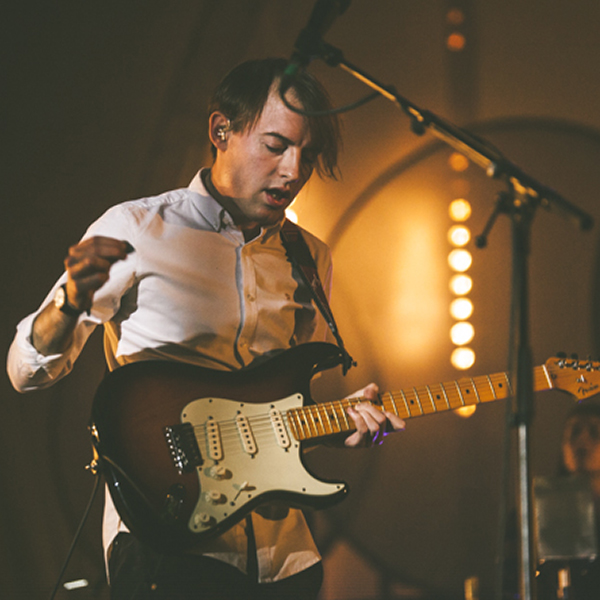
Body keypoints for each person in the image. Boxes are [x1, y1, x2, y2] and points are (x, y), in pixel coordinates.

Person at [7, 57, 404, 599]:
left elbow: (282, 411)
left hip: (283, 557)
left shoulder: (310, 258)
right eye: (275, 146)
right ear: (221, 131)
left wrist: (342, 424)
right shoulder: (138, 228)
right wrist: (71, 302)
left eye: (307, 155)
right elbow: (27, 373)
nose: (293, 170)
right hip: (167, 544)